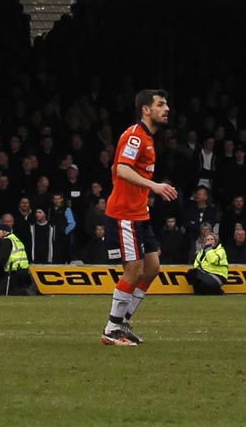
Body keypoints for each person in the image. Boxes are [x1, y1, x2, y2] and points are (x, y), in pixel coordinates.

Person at [100, 88, 178, 347]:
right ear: (146, 109)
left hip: (139, 214)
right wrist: (153, 186)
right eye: (160, 104)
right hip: (124, 215)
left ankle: (122, 322)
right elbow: (121, 169)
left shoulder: (147, 138)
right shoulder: (135, 136)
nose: (166, 109)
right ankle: (111, 329)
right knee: (133, 270)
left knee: (153, 268)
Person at [187, 224, 230, 295]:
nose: (210, 241)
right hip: (206, 274)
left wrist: (208, 249)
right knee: (191, 273)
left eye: (212, 239)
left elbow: (213, 260)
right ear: (204, 241)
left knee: (203, 283)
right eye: (208, 239)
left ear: (216, 241)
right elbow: (196, 264)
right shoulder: (202, 252)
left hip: (218, 275)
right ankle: (199, 292)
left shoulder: (220, 250)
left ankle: (217, 291)